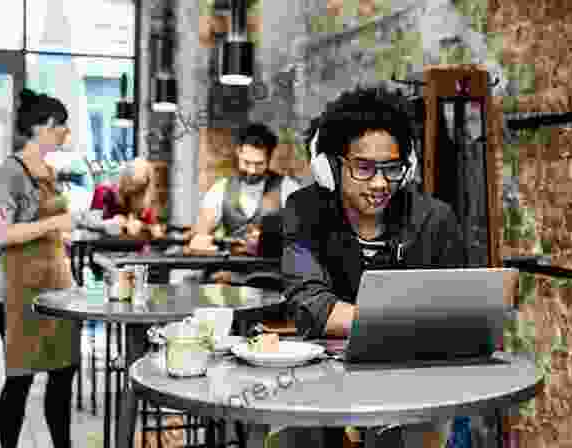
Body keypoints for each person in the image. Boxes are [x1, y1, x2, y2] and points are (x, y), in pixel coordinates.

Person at [280, 85, 467, 447]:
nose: (381, 183)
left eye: (392, 168)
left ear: (407, 167)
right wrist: (413, 320)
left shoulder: (435, 219)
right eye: (363, 168)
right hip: (321, 384)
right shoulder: (304, 212)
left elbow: (458, 313)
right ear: (330, 167)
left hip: (415, 384)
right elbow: (311, 306)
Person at [0, 88, 83, 448]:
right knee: (20, 380)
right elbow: (1, 233)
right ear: (44, 126)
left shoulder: (49, 172)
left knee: (63, 376)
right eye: (62, 127)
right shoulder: (8, 173)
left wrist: (64, 237)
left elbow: (53, 225)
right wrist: (55, 224)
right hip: (23, 291)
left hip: (58, 288)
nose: (65, 135)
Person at [189, 122, 303, 284]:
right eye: (247, 163)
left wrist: (272, 241)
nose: (251, 170)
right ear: (238, 153)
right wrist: (200, 239)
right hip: (231, 273)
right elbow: (201, 230)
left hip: (271, 274)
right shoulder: (220, 188)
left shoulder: (288, 187)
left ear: (269, 158)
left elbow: (303, 237)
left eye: (259, 164)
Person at [89, 157, 164, 238]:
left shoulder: (144, 202)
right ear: (125, 179)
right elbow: (90, 224)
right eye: (131, 185)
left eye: (139, 190)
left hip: (132, 247)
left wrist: (142, 226)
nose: (134, 192)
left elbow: (157, 233)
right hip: (104, 246)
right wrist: (113, 224)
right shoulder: (104, 192)